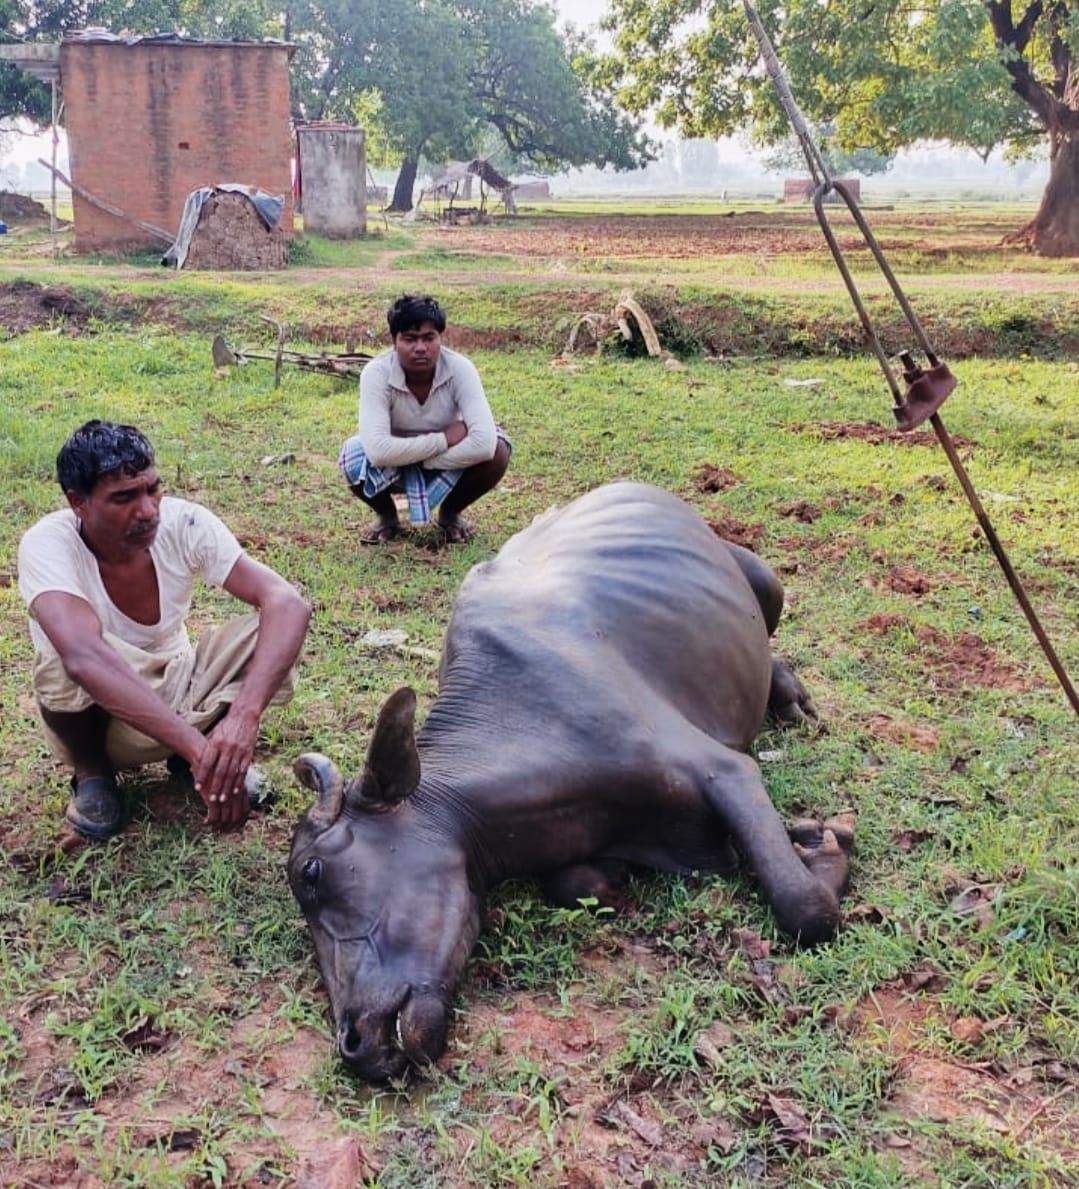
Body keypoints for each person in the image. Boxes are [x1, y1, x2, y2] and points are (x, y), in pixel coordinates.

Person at [16, 420, 311, 841]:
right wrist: (200, 750)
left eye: (152, 489)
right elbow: (83, 658)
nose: (148, 510)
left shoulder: (185, 523)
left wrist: (243, 719)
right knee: (62, 657)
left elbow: (288, 604)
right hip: (99, 720)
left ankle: (190, 758)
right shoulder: (48, 544)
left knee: (271, 631)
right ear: (77, 502)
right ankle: (94, 775)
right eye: (124, 498)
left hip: (180, 687)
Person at [340, 294, 511, 543]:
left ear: (440, 338)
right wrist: (443, 439)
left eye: (429, 338)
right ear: (394, 341)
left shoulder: (460, 368)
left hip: (436, 458)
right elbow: (377, 451)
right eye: (409, 339)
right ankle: (387, 516)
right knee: (352, 457)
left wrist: (425, 460)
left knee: (498, 450)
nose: (420, 348)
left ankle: (451, 513)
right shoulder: (376, 373)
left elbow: (483, 443)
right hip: (404, 460)